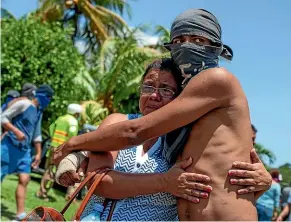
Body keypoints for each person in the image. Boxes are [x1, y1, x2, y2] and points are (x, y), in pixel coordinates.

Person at [53, 8, 270, 220]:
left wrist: (72, 144)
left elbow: (134, 132)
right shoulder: (182, 124)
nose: (186, 46)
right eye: (178, 41)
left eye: (197, 40)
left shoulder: (217, 79)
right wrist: (82, 154)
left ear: (215, 47)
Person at [1, 84, 54, 220]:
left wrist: (38, 153)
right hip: (9, 146)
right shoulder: (24, 104)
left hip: (24, 151)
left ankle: (20, 215)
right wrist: (16, 131)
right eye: (48, 97)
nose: (49, 100)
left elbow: (36, 134)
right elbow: (3, 118)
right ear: (40, 94)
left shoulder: (39, 111)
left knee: (24, 179)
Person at [36, 103, 83, 201]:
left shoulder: (61, 118)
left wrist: (54, 139)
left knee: (48, 169)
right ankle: (43, 194)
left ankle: (41, 191)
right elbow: (72, 136)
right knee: (54, 172)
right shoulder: (73, 121)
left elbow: (51, 128)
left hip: (53, 146)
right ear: (76, 113)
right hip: (62, 150)